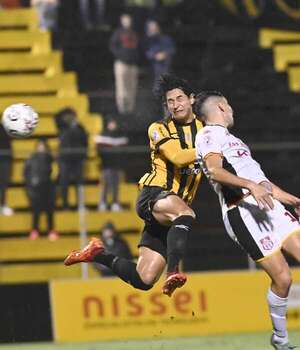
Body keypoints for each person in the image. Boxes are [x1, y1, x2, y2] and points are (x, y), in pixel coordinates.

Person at [64, 74, 203, 297]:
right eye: (170, 101)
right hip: (154, 194)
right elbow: (177, 157)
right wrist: (214, 148)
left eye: (180, 99)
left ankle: (97, 253)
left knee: (143, 279)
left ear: (192, 99)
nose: (175, 105)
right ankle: (174, 271)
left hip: (170, 212)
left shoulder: (206, 130)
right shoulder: (159, 128)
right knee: (186, 214)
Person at [194, 91, 300, 350]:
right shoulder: (208, 135)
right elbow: (215, 171)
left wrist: (292, 200)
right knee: (283, 279)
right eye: (228, 105)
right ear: (221, 106)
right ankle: (280, 339)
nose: (232, 110)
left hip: (269, 205)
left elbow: (262, 182)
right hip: (242, 212)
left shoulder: (235, 140)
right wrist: (251, 186)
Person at [24, 138, 58, 241]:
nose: (41, 148)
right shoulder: (31, 158)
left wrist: (53, 186)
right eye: (39, 146)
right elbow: (26, 174)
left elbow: (56, 173)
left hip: (48, 188)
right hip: (36, 189)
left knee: (49, 211)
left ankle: (51, 230)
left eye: (43, 146)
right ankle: (34, 230)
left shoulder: (51, 159)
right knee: (36, 211)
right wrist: (30, 187)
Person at [95, 118, 128, 212]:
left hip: (116, 165)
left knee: (115, 184)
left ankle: (115, 203)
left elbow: (123, 151)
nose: (112, 125)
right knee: (105, 184)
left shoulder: (120, 135)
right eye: (111, 123)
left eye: (114, 123)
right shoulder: (102, 135)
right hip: (105, 165)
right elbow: (99, 150)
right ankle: (102, 203)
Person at [109, 13, 140, 116]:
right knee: (122, 88)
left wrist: (135, 58)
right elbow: (113, 46)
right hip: (121, 63)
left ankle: (130, 110)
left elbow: (139, 47)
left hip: (133, 64)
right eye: (125, 19)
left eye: (129, 19)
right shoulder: (118, 33)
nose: (127, 22)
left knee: (132, 88)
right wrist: (121, 56)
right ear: (122, 20)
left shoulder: (134, 33)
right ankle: (122, 110)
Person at [57, 108, 88, 210]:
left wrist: (83, 155)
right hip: (65, 159)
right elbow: (56, 116)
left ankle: (81, 204)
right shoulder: (62, 127)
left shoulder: (80, 128)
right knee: (64, 183)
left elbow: (85, 142)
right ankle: (65, 205)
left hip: (77, 159)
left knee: (79, 183)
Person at [144, 19, 175, 89]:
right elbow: (145, 53)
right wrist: (154, 56)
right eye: (151, 27)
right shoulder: (147, 40)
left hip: (165, 67)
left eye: (155, 27)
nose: (153, 29)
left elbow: (172, 49)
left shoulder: (166, 38)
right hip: (152, 69)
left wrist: (165, 54)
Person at [0, 124, 14, 216]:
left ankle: (2, 205)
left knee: (3, 184)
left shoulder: (3, 129)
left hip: (4, 160)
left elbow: (8, 146)